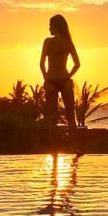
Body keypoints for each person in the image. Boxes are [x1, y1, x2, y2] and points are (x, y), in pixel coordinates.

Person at [39, 14, 80, 144]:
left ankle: (53, 148)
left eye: (50, 25)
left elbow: (41, 64)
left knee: (52, 118)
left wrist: (46, 79)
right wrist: (68, 76)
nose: (48, 28)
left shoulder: (47, 42)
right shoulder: (68, 42)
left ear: (55, 26)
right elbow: (77, 64)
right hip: (65, 80)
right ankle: (74, 146)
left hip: (51, 81)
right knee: (70, 115)